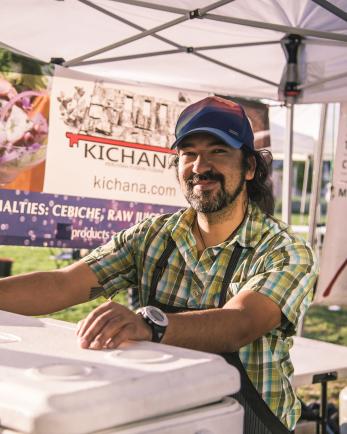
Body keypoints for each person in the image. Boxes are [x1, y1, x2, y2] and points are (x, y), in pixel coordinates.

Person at [0, 96, 317, 433]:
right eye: (189, 153)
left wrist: (152, 326)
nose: (199, 166)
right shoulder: (153, 237)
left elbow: (241, 323)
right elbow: (63, 284)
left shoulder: (284, 249)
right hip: (169, 418)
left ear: (250, 167)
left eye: (218, 151)